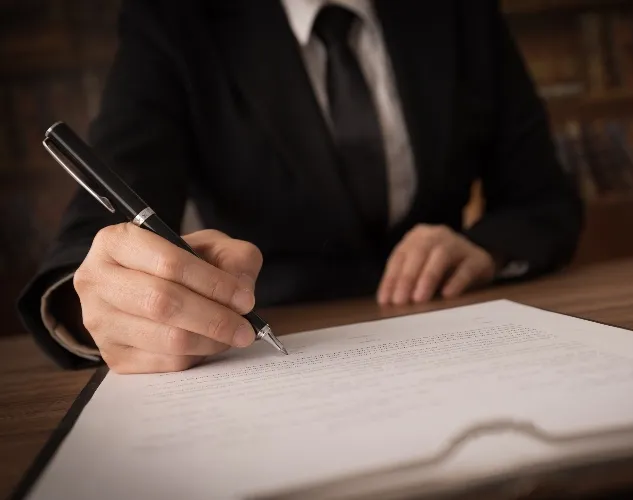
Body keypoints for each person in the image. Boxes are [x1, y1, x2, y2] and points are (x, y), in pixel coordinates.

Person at [18, 0, 583, 373]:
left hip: (460, 335)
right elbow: (103, 223)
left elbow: (544, 200)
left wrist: (486, 248)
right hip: (262, 343)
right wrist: (98, 301)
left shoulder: (461, 11)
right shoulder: (174, 20)